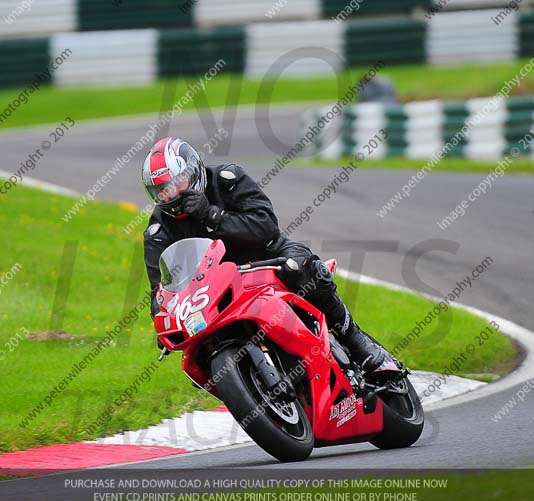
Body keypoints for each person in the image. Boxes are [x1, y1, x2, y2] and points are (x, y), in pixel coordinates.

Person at [141, 136, 393, 372]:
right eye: (162, 190)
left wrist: (211, 215)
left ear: (193, 171)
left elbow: (266, 226)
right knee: (198, 350)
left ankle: (357, 341)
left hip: (269, 256)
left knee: (299, 267)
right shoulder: (158, 231)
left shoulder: (227, 180)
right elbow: (161, 292)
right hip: (219, 289)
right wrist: (164, 323)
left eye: (176, 185)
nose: (171, 195)